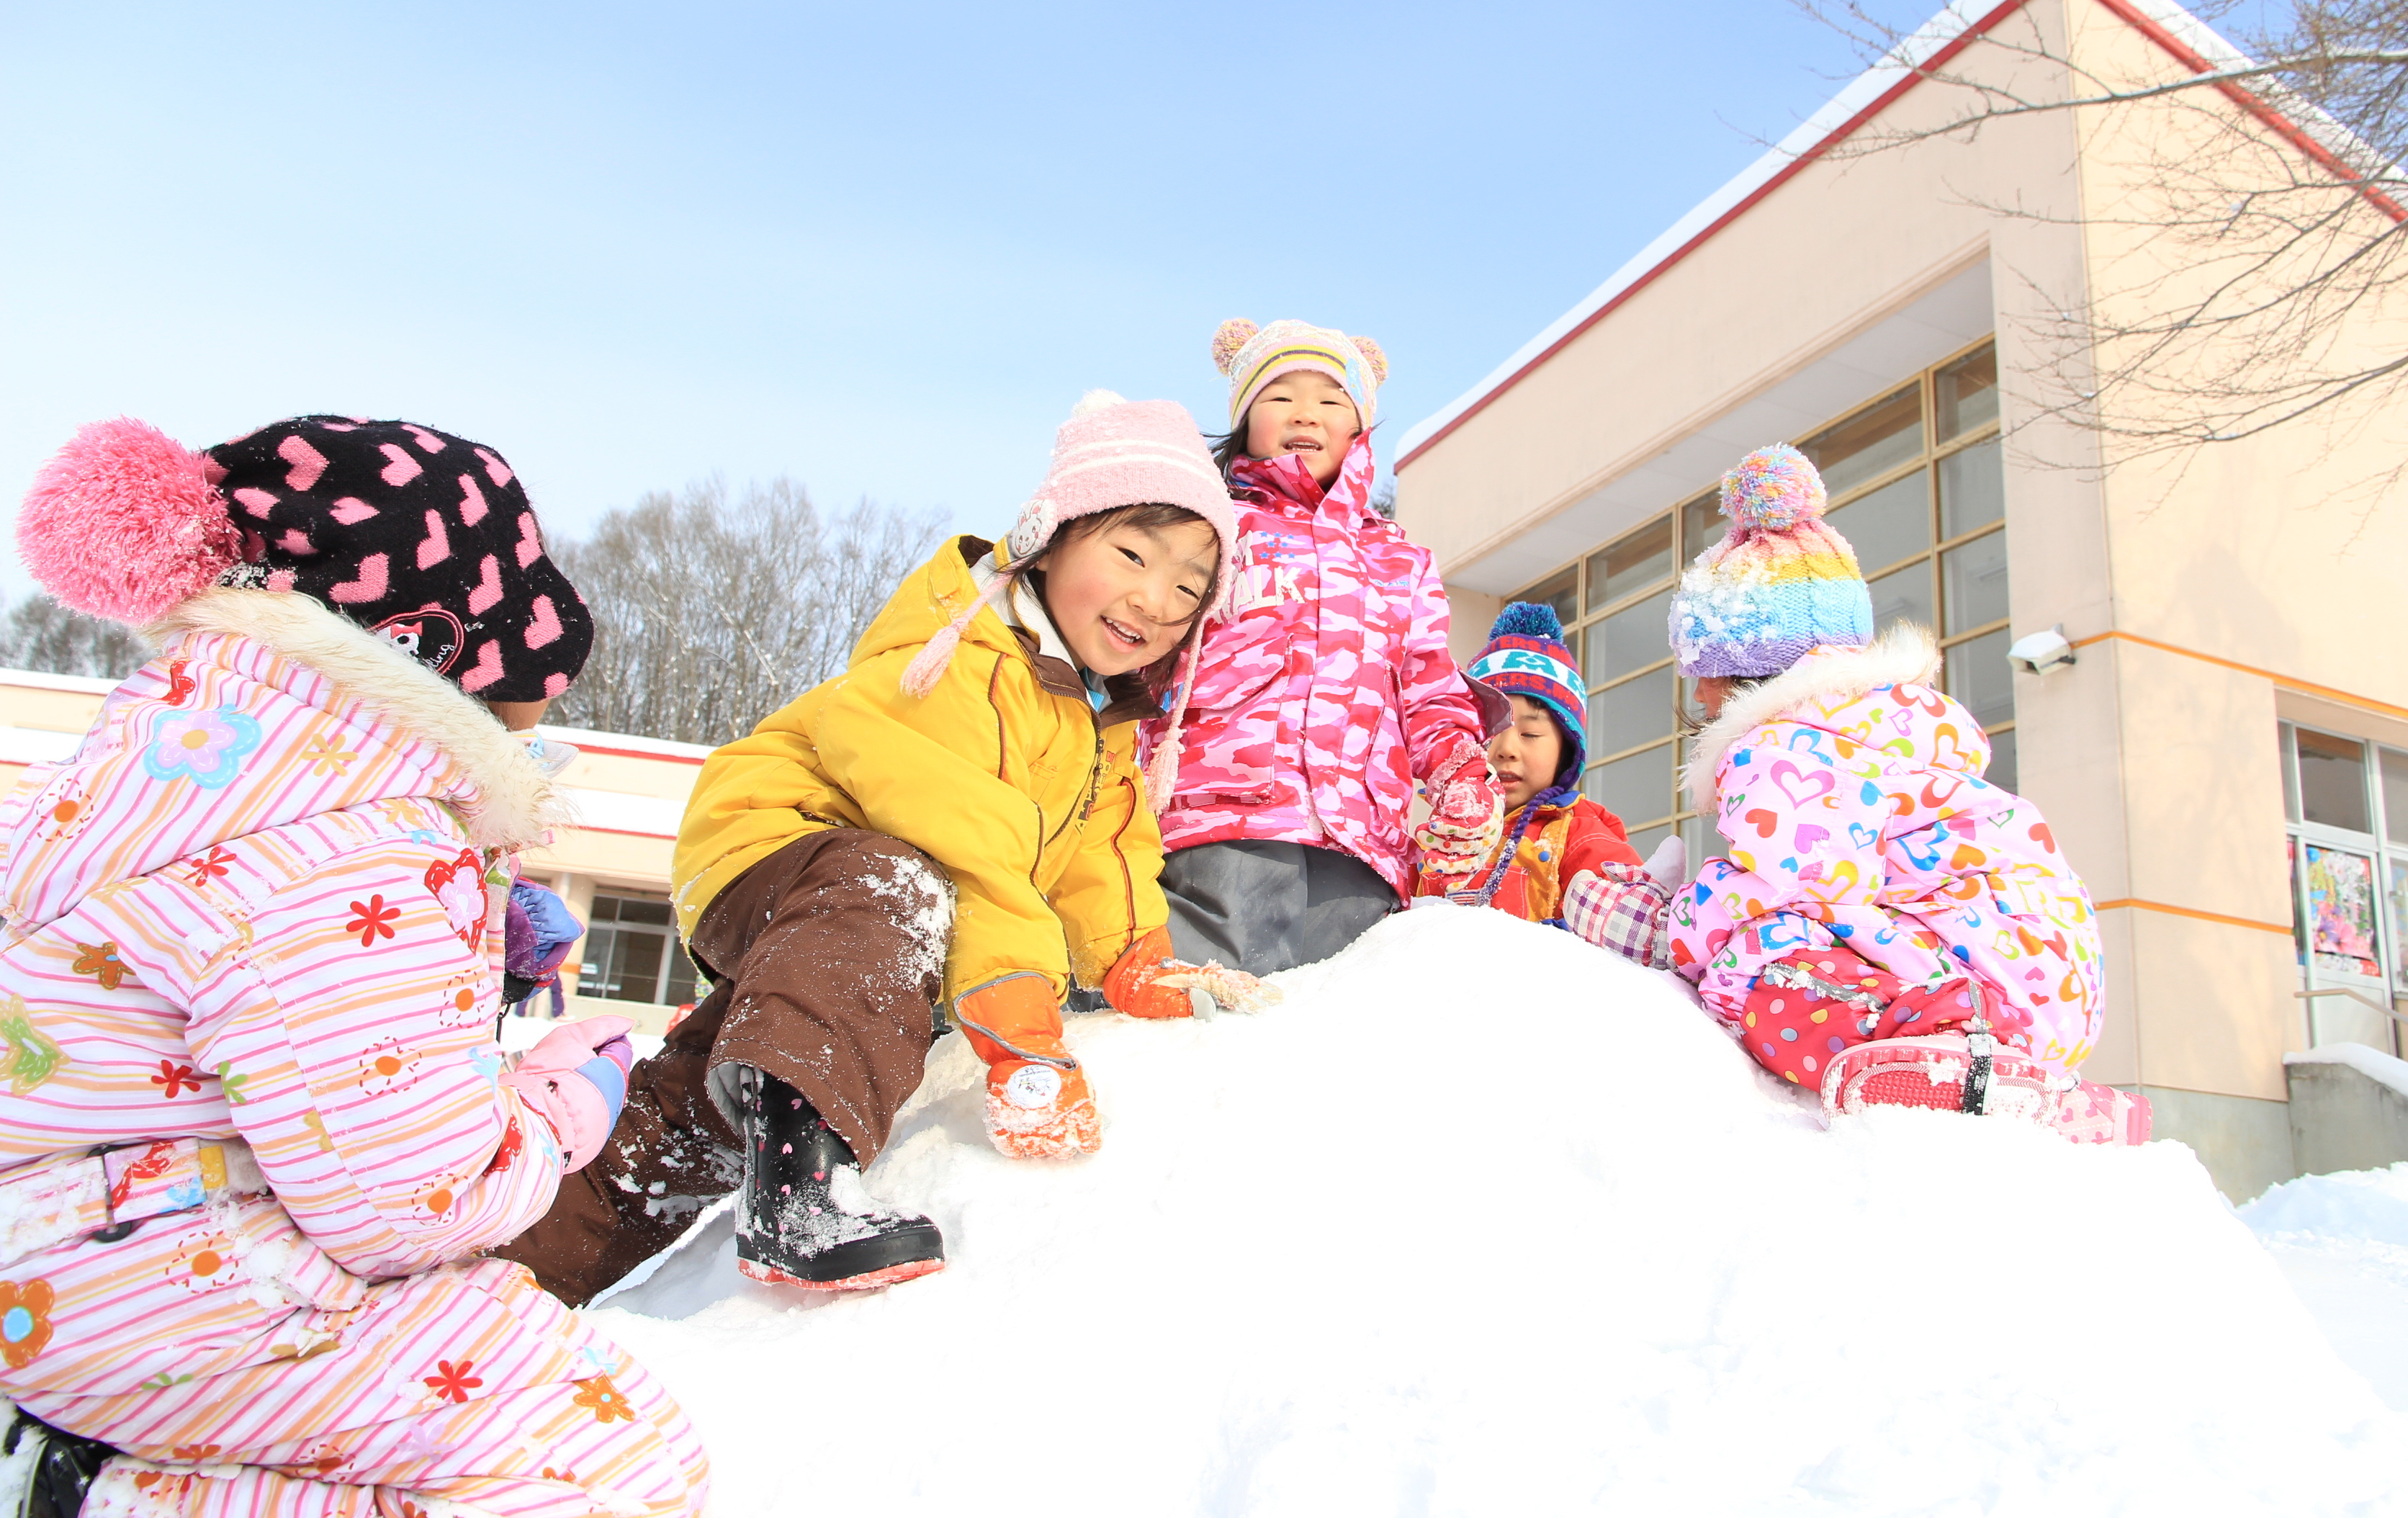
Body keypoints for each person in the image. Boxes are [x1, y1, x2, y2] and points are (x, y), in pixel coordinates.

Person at [0, 417, 705, 1515]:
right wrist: (561, 1107)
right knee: (597, 1459)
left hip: (76, 1255)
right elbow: (410, 1198)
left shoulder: (184, 754)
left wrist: (460, 940)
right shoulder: (363, 841)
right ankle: (92, 1495)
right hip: (153, 1284)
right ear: (447, 643)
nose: (551, 702)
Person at [498, 391, 1276, 1307]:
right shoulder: (969, 658)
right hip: (783, 850)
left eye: (1189, 587)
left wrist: (1137, 960)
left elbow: (1105, 856)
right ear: (1048, 538)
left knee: (703, 1104)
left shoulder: (1096, 723)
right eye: (1133, 555)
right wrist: (1020, 1031)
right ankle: (801, 1192)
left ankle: (514, 1276)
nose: (1157, 597)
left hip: (852, 933)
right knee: (896, 887)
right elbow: (971, 852)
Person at [1563, 444, 2148, 1143]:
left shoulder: (1782, 748)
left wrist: (1651, 927)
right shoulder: (1883, 730)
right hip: (2047, 977)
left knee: (1757, 963)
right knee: (1779, 936)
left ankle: (1954, 1062)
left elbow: (1776, 891)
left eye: (1703, 672)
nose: (1695, 693)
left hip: (1978, 993)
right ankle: (2012, 1080)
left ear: (1744, 672)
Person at [1146, 318, 1502, 978]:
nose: (1305, 412)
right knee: (1207, 1002)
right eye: (1280, 395)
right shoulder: (1210, 529)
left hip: (1360, 835)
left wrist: (1459, 768)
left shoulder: (1398, 559)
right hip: (1223, 813)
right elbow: (1144, 650)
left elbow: (1428, 684)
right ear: (1246, 418)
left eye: (1331, 399)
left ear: (1359, 427)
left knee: (1331, 1018)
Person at [1415, 603, 1638, 922]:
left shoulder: (1581, 836)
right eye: (1490, 732)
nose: (1506, 749)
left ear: (1567, 747)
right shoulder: (1440, 834)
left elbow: (1623, 926)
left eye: (1530, 733)